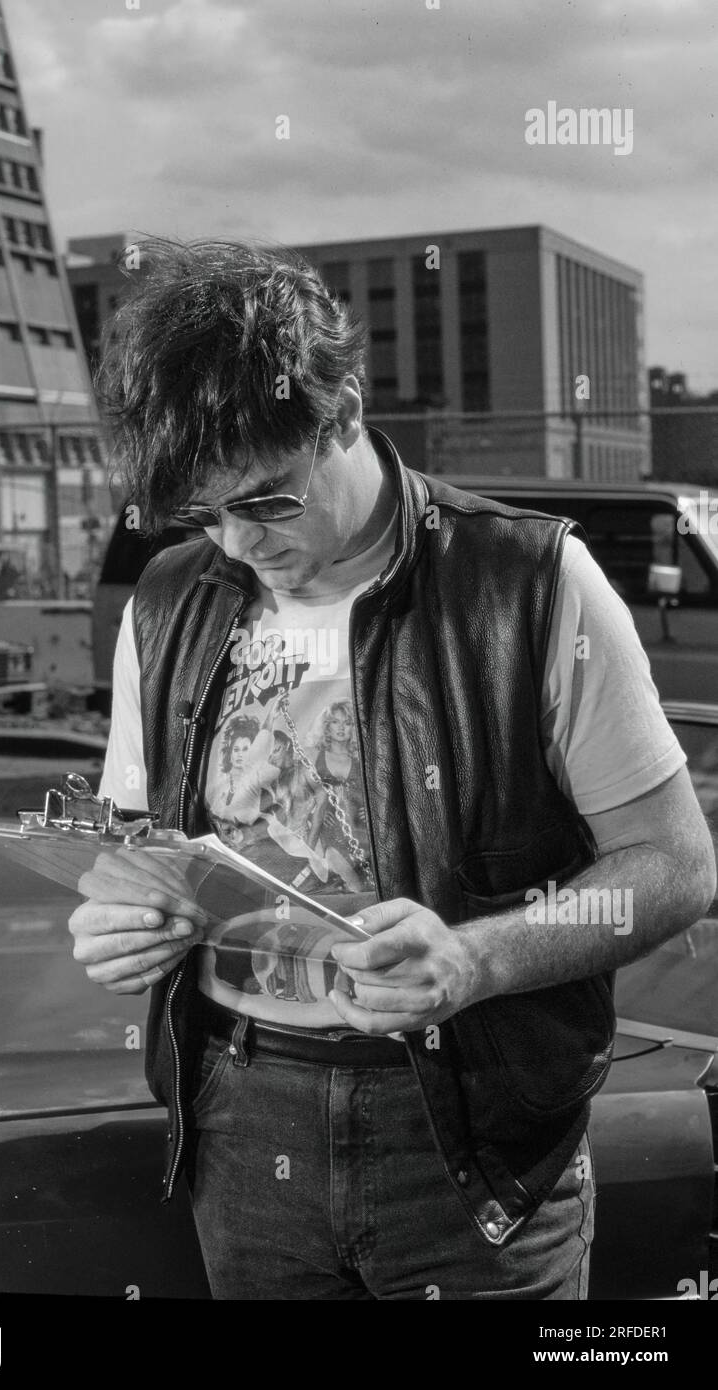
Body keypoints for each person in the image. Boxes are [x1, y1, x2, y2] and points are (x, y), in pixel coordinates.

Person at [68, 237, 715, 1300]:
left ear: (345, 410)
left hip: (469, 1140)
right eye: (204, 514)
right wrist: (113, 915)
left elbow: (676, 867)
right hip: (239, 1120)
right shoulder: (168, 599)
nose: (237, 542)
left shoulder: (532, 580)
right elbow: (131, 845)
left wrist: (476, 958)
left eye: (268, 499)